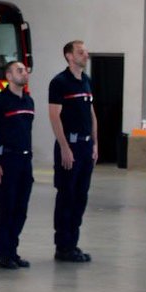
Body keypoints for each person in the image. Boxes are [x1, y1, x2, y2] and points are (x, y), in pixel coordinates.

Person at [48, 40, 98, 263]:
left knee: (80, 197)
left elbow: (91, 113)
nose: (85, 55)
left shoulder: (86, 81)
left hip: (86, 146)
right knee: (66, 196)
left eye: (85, 51)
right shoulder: (59, 83)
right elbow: (54, 116)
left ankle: (73, 244)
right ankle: (63, 247)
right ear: (69, 56)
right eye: (80, 52)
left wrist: (95, 143)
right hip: (70, 146)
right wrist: (64, 147)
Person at [0, 60, 36, 269]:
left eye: (25, 70)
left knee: (20, 209)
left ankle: (12, 250)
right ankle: (1, 253)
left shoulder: (28, 101)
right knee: (5, 208)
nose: (24, 73)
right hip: (7, 160)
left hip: (25, 161)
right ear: (8, 76)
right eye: (19, 70)